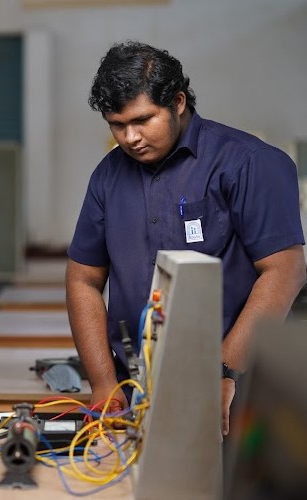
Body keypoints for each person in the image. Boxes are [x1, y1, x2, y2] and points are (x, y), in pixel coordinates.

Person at [66, 40, 306, 436]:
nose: (130, 137)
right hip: (138, 390)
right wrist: (104, 381)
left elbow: (285, 271)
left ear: (178, 101)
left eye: (143, 120)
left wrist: (224, 370)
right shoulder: (108, 176)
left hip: (234, 390)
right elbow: (83, 279)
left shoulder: (249, 163)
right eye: (117, 125)